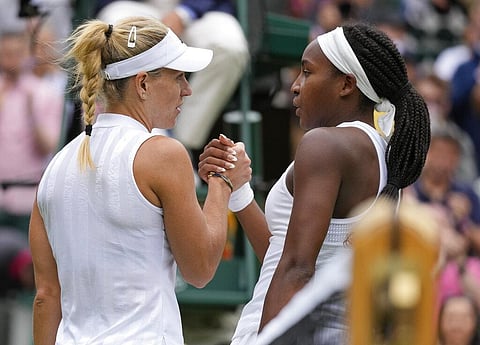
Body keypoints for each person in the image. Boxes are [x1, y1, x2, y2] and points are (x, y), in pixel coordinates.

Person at [199, 22, 430, 344]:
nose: (295, 86)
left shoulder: (324, 145)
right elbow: (281, 256)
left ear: (346, 84)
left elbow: (297, 269)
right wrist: (239, 193)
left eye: (307, 72)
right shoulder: (385, 154)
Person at [29, 16, 252, 345]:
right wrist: (223, 183)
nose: (188, 90)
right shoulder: (164, 154)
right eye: (179, 77)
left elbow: (46, 297)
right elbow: (200, 268)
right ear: (144, 83)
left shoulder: (55, 167)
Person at [94, 0, 249, 151]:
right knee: (118, 40)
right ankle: (147, 145)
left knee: (229, 48)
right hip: (133, 6)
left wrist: (184, 13)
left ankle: (178, 147)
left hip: (201, 8)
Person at [0, 29, 64, 234]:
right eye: (5, 53)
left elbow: (51, 147)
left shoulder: (44, 94)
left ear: (27, 55)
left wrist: (32, 114)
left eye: (16, 53)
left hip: (27, 201)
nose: (11, 60)